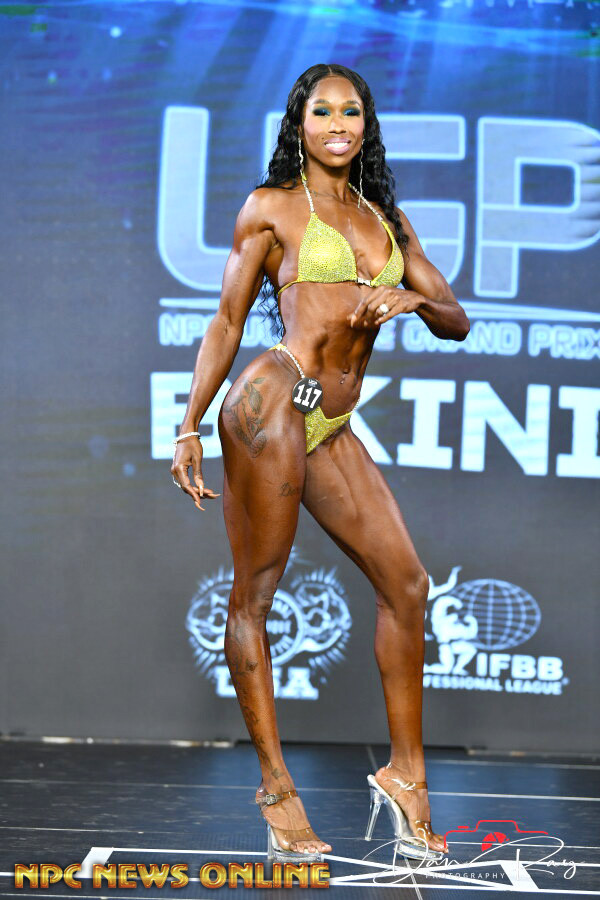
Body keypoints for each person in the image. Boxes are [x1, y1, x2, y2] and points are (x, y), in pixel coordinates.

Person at [171, 63, 470, 863]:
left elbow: (457, 320)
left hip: (328, 420)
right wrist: (188, 426)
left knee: (407, 585)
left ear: (366, 124)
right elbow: (226, 321)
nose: (338, 124)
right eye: (322, 111)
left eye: (352, 111)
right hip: (271, 405)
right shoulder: (271, 207)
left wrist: (413, 299)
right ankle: (276, 790)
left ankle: (407, 777)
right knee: (256, 597)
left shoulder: (386, 220)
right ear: (299, 124)